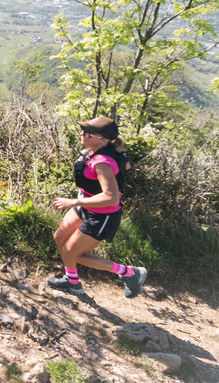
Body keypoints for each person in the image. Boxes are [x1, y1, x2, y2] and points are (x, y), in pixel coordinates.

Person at [48, 116, 146, 298]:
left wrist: (73, 202)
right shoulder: (99, 150)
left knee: (72, 253)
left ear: (101, 137)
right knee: (60, 237)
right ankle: (72, 282)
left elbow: (111, 198)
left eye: (87, 132)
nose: (82, 133)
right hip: (86, 205)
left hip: (102, 214)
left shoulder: (102, 161)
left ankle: (129, 272)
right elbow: (126, 166)